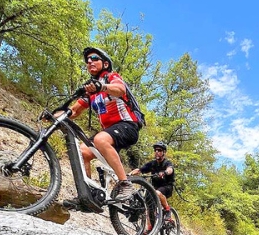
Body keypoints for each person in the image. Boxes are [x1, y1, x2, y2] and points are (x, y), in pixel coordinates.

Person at [61, 47, 141, 209]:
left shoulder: (112, 77)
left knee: (100, 138)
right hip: (109, 132)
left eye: (94, 58)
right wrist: (54, 115)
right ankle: (88, 195)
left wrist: (102, 86)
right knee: (81, 151)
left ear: (105, 64)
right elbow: (74, 111)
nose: (89, 61)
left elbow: (120, 90)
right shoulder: (91, 92)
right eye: (87, 60)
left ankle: (125, 184)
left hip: (128, 126)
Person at [131, 142, 175, 221]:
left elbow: (170, 169)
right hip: (154, 187)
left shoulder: (167, 163)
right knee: (148, 205)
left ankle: (167, 210)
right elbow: (140, 170)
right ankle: (150, 228)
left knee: (157, 193)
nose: (157, 152)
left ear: (164, 152)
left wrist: (164, 172)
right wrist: (129, 174)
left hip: (167, 187)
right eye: (155, 150)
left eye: (159, 150)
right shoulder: (152, 163)